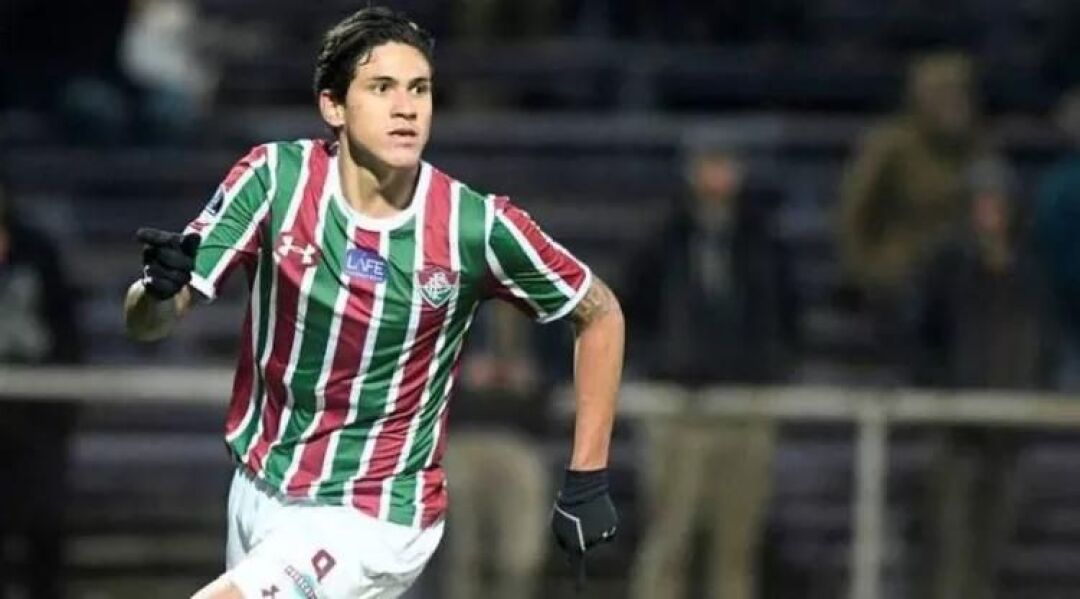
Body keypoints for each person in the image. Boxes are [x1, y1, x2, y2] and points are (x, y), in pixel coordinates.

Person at [121, 7, 622, 599]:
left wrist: (587, 475)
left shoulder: (474, 225)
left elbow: (599, 312)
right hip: (258, 488)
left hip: (373, 513)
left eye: (420, 89)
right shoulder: (273, 179)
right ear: (333, 106)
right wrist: (155, 292)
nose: (406, 107)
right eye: (382, 88)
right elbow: (150, 323)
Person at [624, 148, 792, 599]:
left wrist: (767, 369)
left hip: (746, 406)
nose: (717, 177)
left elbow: (786, 316)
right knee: (669, 541)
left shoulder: (762, 242)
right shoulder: (661, 240)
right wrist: (662, 364)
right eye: (709, 165)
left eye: (725, 165)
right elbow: (628, 311)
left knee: (736, 549)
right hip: (678, 408)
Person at [918, 157, 1054, 599]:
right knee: (949, 549)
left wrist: (1033, 393)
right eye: (981, 201)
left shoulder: (1029, 273)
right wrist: (943, 391)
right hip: (956, 432)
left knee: (991, 552)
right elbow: (920, 336)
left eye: (996, 202)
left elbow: (1044, 343)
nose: (988, 212)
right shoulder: (947, 266)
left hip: (1009, 433)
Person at [839, 52, 989, 380]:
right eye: (943, 94)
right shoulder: (891, 146)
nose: (954, 104)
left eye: (960, 93)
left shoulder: (978, 147)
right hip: (902, 277)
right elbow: (854, 214)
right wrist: (868, 272)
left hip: (961, 276)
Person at [0, 179, 84, 598]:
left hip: (37, 413)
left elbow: (66, 330)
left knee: (43, 528)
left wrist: (61, 405)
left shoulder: (37, 251)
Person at [441, 303, 551, 599]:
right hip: (461, 436)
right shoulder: (453, 302)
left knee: (521, 560)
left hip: (521, 440)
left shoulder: (547, 312)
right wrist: (461, 372)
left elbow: (564, 377)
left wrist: (534, 379)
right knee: (464, 554)